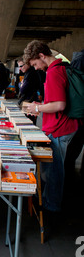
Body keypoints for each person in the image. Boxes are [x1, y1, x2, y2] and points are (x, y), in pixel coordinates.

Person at [23, 40, 78, 222]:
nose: (36, 68)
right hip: (65, 125)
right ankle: (50, 202)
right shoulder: (63, 67)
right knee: (54, 167)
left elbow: (60, 104)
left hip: (58, 128)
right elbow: (57, 100)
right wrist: (42, 105)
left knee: (54, 171)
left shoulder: (54, 72)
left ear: (41, 56)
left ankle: (51, 207)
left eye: (35, 64)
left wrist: (37, 109)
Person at [65, 49, 84, 178]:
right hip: (80, 110)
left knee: (76, 141)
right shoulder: (80, 60)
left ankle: (69, 172)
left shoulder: (79, 60)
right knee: (77, 141)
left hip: (79, 111)